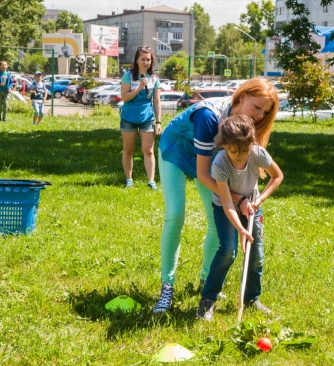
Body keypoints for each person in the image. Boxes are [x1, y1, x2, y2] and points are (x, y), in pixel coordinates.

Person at [153, 77, 279, 313]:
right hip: (177, 150)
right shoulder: (209, 117)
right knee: (176, 215)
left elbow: (246, 170)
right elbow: (203, 175)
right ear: (243, 97)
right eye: (257, 107)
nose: (260, 115)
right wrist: (239, 200)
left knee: (215, 220)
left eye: (266, 111)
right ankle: (166, 287)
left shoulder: (244, 126)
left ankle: (205, 280)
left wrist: (249, 201)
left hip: (208, 158)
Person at [196, 115, 283, 320]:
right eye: (233, 151)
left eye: (244, 151)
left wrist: (259, 199)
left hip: (252, 206)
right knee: (228, 251)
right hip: (225, 207)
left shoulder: (257, 153)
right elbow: (227, 202)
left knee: (256, 256)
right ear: (224, 145)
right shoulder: (220, 163)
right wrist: (241, 229)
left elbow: (277, 176)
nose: (239, 157)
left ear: (251, 144)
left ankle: (252, 298)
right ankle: (208, 299)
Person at [119, 46, 162, 190]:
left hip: (147, 118)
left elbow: (156, 102)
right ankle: (129, 179)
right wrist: (138, 89)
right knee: (128, 149)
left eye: (148, 59)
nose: (146, 62)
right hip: (128, 118)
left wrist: (158, 121)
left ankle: (151, 181)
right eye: (143, 59)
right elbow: (124, 98)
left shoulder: (154, 79)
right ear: (136, 60)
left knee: (148, 150)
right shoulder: (128, 76)